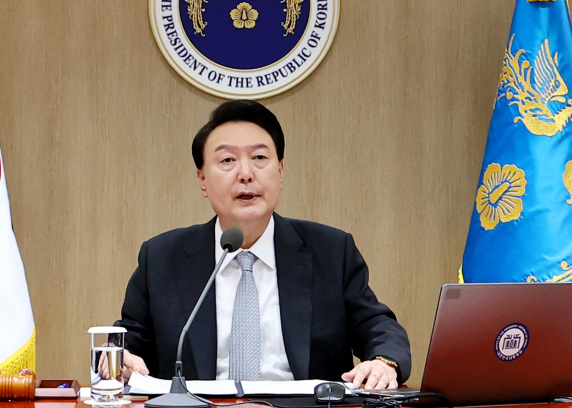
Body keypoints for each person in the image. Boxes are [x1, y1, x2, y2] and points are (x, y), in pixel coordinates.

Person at [116, 100, 410, 389]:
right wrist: (119, 358)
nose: (246, 174)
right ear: (203, 180)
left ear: (280, 172)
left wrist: (385, 362)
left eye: (259, 158)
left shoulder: (330, 250)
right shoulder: (163, 257)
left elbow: (377, 326)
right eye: (227, 160)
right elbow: (129, 341)